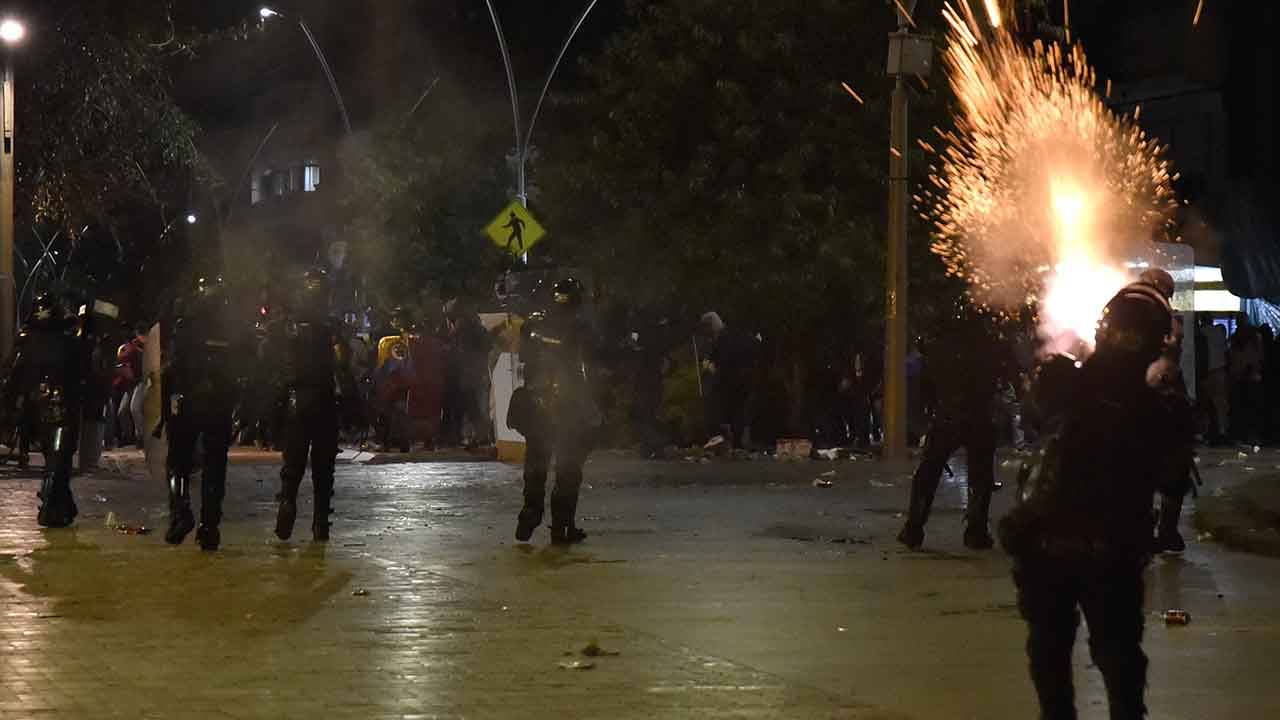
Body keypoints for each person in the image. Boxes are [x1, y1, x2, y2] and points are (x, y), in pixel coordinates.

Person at [1000, 282, 1188, 720]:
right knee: (1118, 664)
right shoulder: (1155, 406)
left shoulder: (1068, 380)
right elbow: (1173, 482)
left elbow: (1039, 417)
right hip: (1108, 552)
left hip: (1052, 546)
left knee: (1054, 661)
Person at [897, 306, 1014, 550]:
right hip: (979, 417)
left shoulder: (940, 347)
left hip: (948, 416)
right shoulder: (989, 346)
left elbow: (926, 385)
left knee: (928, 474)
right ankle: (976, 532)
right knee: (980, 477)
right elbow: (1002, 377)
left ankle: (913, 529)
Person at [270, 267, 357, 542]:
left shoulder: (287, 327)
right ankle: (320, 524)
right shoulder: (332, 328)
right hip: (324, 400)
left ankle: (287, 502)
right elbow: (343, 366)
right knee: (323, 467)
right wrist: (354, 404)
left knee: (293, 464)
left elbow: (275, 368)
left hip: (297, 399)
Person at [510, 277, 599, 544]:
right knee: (568, 467)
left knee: (536, 463)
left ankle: (529, 515)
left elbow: (523, 355)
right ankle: (561, 527)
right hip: (567, 406)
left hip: (537, 406)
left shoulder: (534, 322)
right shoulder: (581, 325)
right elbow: (595, 357)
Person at [159, 275, 239, 551]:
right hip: (219, 407)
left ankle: (181, 512)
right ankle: (209, 528)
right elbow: (243, 372)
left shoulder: (186, 328)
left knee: (177, 463)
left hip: (188, 404)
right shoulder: (232, 331)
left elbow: (171, 369)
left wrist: (163, 409)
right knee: (215, 467)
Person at [5, 293, 82, 527]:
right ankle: (51, 507)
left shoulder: (27, 341)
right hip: (61, 407)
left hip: (36, 408)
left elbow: (12, 377)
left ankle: (61, 507)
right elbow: (82, 373)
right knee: (58, 460)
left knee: (55, 459)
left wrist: (11, 407)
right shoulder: (68, 341)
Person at [699, 311, 758, 450]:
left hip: (729, 380)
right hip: (744, 378)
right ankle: (736, 442)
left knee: (723, 409)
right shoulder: (739, 335)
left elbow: (716, 360)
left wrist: (708, 365)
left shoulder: (722, 338)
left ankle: (724, 438)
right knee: (739, 410)